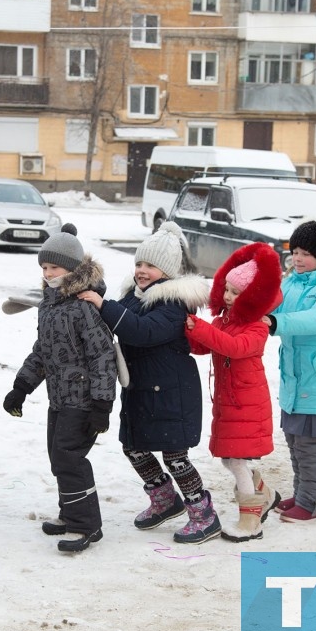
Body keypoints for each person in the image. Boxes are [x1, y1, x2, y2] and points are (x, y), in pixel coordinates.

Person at [78, 222, 219, 545]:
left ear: (168, 271)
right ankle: (166, 499)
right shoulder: (134, 296)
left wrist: (104, 305)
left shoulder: (173, 303)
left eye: (151, 266)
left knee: (175, 455)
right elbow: (118, 320)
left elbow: (143, 332)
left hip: (172, 392)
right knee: (134, 447)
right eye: (139, 263)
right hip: (141, 389)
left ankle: (203, 514)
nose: (142, 271)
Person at [3, 224, 117, 553]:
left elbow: (102, 356)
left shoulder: (84, 306)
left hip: (83, 400)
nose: (48, 273)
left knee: (70, 458)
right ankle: (72, 514)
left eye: (54, 267)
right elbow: (43, 351)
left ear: (73, 269)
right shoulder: (49, 306)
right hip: (59, 397)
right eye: (44, 267)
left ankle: (86, 526)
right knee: (59, 458)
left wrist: (102, 404)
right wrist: (22, 386)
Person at [185, 242, 283, 542]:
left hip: (247, 404)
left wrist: (201, 329)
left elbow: (235, 348)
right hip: (229, 403)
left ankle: (250, 521)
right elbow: (208, 345)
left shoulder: (256, 326)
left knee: (238, 462)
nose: (228, 297)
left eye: (236, 293)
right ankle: (263, 493)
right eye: (226, 289)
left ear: (252, 296)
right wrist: (188, 332)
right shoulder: (224, 320)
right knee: (230, 459)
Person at [263, 221, 316, 522]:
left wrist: (277, 323)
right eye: (295, 252)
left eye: (306, 254)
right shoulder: (293, 281)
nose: (298, 259)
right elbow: (271, 305)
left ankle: (313, 503)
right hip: (295, 379)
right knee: (294, 442)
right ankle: (302, 494)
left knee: (309, 446)